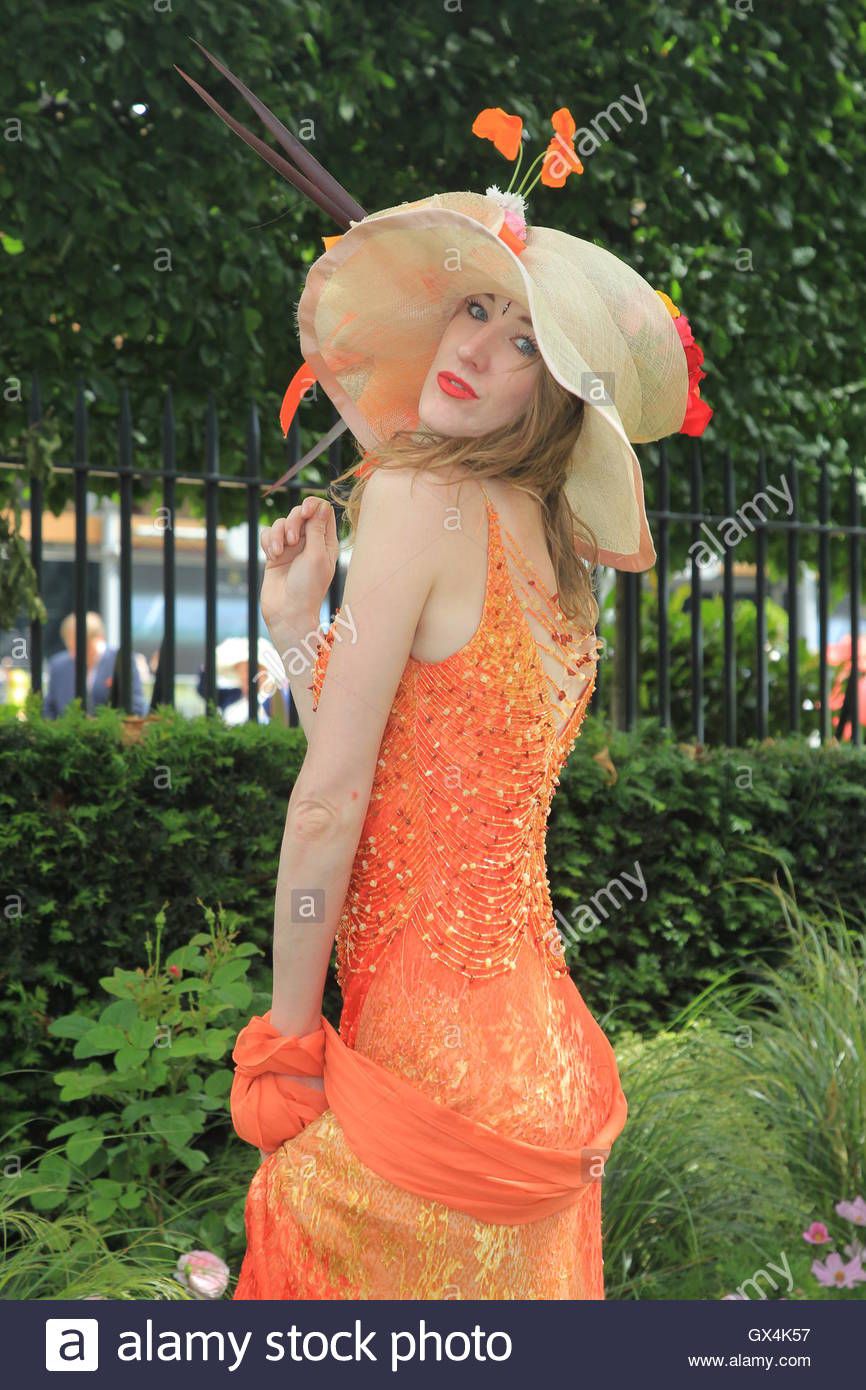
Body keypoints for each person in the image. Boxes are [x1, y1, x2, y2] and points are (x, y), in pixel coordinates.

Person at [180, 50, 711, 1299]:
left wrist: (286, 1041)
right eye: (475, 308)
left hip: (422, 1069)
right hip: (533, 1059)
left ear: (555, 398)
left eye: (522, 341)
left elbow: (331, 802)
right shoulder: (562, 556)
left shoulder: (418, 493)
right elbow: (417, 764)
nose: (476, 346)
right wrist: (297, 629)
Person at [42, 611, 147, 718]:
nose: (75, 653)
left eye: (82, 646)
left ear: (99, 638)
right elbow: (49, 709)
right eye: (70, 646)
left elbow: (135, 707)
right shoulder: (58, 666)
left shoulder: (121, 661)